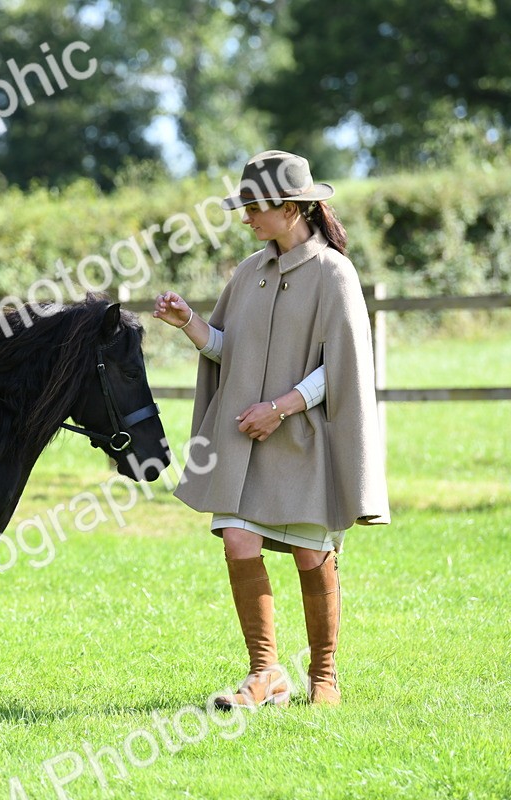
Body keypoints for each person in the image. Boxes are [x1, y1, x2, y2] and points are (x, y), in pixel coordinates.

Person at [153, 150, 389, 708]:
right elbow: (227, 352)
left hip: (308, 441)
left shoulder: (335, 272)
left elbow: (345, 367)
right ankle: (266, 674)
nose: (246, 218)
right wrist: (190, 323)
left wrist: (281, 407)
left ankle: (324, 675)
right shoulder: (248, 273)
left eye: (255, 207)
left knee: (311, 553)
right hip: (245, 445)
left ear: (292, 208)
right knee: (237, 539)